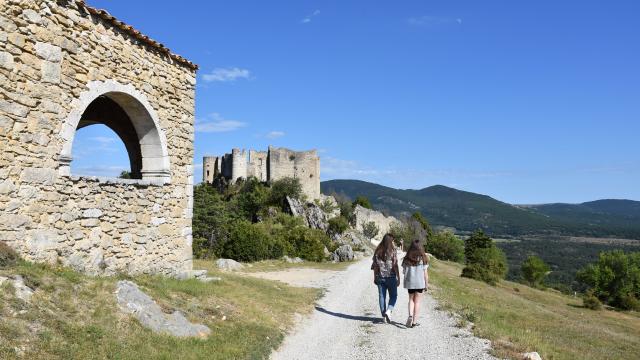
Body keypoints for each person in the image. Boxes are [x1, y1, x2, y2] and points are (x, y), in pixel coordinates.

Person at [371, 234, 399, 323]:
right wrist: (398, 277)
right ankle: (389, 310)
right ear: (390, 241)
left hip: (380, 277)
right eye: (393, 241)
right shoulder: (393, 251)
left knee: (382, 296)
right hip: (391, 277)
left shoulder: (377, 251)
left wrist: (375, 277)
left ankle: (384, 315)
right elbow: (395, 265)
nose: (393, 242)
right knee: (394, 296)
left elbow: (375, 266)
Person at [402, 239, 429, 328]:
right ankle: (414, 322)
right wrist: (426, 285)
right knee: (417, 302)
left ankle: (410, 315)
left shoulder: (406, 258)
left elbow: (404, 271)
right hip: (420, 283)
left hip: (410, 283)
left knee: (411, 300)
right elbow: (425, 274)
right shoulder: (423, 258)